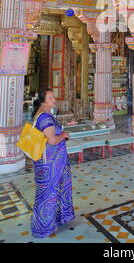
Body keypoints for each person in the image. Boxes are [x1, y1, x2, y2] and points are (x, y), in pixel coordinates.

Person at [31, 89, 75, 238]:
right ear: (43, 101)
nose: (53, 100)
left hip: (52, 163)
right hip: (50, 164)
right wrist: (63, 135)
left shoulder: (44, 114)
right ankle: (44, 228)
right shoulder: (45, 117)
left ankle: (54, 221)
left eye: (53, 97)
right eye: (50, 98)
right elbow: (51, 140)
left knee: (53, 191)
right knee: (49, 194)